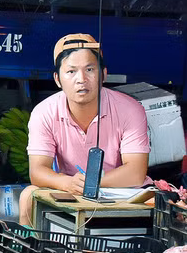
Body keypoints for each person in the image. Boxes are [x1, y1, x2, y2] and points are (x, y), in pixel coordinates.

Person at [18, 34, 151, 225]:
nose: (81, 79)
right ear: (57, 79)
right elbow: (37, 171)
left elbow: (136, 172)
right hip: (71, 190)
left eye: (90, 69)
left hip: (123, 191)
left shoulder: (130, 109)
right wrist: (67, 183)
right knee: (27, 195)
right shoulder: (44, 112)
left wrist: (92, 183)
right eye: (71, 72)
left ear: (103, 74)